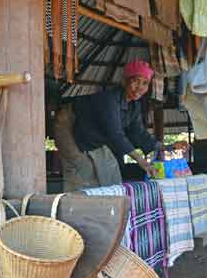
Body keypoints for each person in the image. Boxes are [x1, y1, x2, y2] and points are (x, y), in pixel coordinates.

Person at [54, 60, 187, 192]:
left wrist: (167, 147)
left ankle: (108, 206)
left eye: (145, 83)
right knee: (83, 169)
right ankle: (75, 209)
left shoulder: (134, 106)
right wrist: (143, 162)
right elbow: (115, 134)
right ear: (125, 81)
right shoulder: (109, 99)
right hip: (68, 124)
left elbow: (140, 134)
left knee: (110, 169)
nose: (140, 87)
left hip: (91, 135)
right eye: (135, 81)